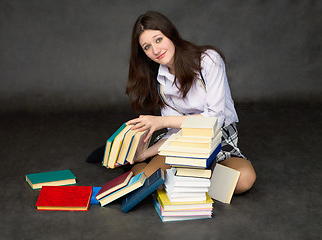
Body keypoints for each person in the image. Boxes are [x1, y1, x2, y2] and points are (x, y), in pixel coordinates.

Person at [87, 11, 256, 194]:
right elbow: (175, 133)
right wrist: (145, 153)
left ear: (171, 34)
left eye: (158, 40)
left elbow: (214, 119)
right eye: (147, 47)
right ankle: (140, 165)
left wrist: (162, 121)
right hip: (182, 141)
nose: (155, 50)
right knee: (147, 183)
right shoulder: (160, 80)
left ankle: (181, 177)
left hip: (218, 139)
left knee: (244, 179)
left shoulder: (208, 60)